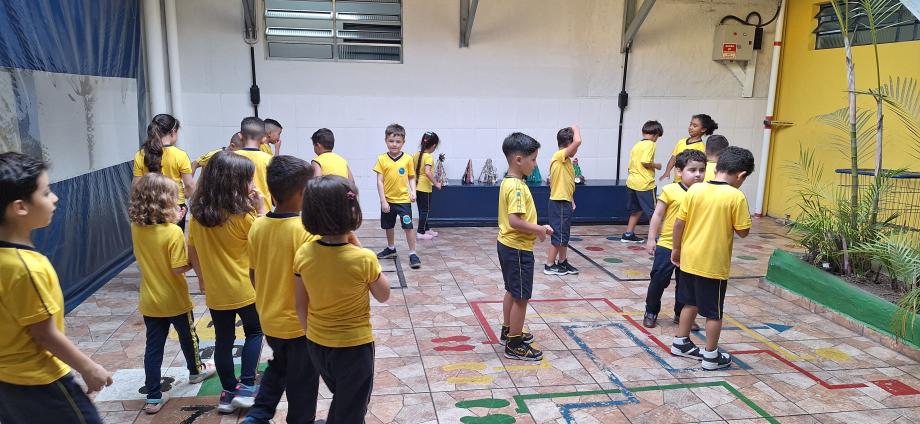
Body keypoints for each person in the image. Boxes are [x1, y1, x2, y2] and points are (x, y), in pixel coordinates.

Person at [0, 152, 112, 424]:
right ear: (20, 207)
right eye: (46, 192)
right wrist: (89, 368)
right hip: (42, 383)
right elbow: (45, 334)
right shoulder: (28, 268)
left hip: (7, 384)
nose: (55, 198)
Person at [294, 175, 390, 423]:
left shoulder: (303, 253)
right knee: (352, 409)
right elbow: (383, 295)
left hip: (317, 344)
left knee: (345, 399)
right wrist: (361, 250)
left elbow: (300, 304)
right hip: (354, 349)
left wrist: (311, 334)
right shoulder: (363, 258)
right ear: (352, 212)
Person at [129, 173, 215, 414]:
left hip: (150, 301)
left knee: (153, 348)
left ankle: (153, 397)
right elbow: (178, 267)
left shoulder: (136, 228)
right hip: (175, 300)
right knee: (189, 338)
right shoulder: (173, 232)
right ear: (165, 201)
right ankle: (196, 371)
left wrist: (174, 221)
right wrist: (193, 260)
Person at [187, 151, 267, 413]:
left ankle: (228, 391)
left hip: (216, 290)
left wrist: (202, 279)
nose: (252, 184)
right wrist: (261, 209)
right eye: (248, 179)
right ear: (234, 182)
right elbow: (265, 240)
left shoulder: (198, 217)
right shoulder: (244, 217)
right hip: (246, 287)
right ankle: (247, 386)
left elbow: (193, 251)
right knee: (254, 332)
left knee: (223, 340)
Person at [243, 156, 320, 424]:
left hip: (270, 319)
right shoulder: (306, 231)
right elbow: (314, 281)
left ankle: (258, 414)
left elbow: (253, 273)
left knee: (279, 365)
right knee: (303, 382)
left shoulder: (258, 225)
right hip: (300, 325)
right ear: (302, 193)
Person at [670, 146, 754, 371]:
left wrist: (676, 249)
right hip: (712, 265)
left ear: (715, 168)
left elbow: (678, 223)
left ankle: (680, 342)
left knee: (690, 302)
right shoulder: (736, 196)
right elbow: (743, 231)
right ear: (742, 175)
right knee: (714, 313)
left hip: (689, 258)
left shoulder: (695, 190)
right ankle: (710, 355)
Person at [497, 133, 553, 361]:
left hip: (507, 245)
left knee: (512, 290)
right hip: (518, 249)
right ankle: (514, 343)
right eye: (533, 159)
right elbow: (515, 221)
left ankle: (508, 329)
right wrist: (539, 229)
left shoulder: (508, 181)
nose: (535, 164)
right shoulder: (517, 188)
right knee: (521, 297)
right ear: (518, 160)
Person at [642, 150, 706, 330]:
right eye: (692, 170)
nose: (698, 174)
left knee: (686, 284)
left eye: (702, 170)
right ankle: (651, 311)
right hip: (667, 245)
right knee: (658, 280)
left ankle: (681, 314)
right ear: (679, 171)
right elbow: (657, 215)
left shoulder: (705, 193)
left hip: (691, 247)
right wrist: (651, 238)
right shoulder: (670, 190)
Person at [132, 113, 195, 230]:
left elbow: (136, 186)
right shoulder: (180, 155)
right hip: (175, 207)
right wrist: (185, 196)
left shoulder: (140, 155)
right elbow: (190, 185)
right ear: (173, 132)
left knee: (152, 239)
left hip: (149, 206)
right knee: (174, 238)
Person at [373, 123, 421, 269]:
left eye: (398, 141)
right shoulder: (381, 159)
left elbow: (411, 177)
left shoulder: (408, 159)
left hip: (403, 201)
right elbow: (379, 181)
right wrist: (383, 201)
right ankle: (391, 248)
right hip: (388, 201)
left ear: (403, 142)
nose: (394, 144)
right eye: (391, 141)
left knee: (408, 226)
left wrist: (413, 191)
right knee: (389, 226)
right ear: (386, 140)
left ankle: (412, 253)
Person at [543, 126, 582, 275]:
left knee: (564, 235)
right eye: (574, 147)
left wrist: (571, 199)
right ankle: (549, 265)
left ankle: (562, 261)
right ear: (567, 144)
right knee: (558, 234)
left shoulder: (567, 162)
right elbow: (578, 141)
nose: (576, 150)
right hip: (558, 203)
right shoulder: (559, 156)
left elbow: (563, 182)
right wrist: (575, 127)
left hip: (564, 201)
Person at [621, 121, 663, 243]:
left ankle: (628, 234)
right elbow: (645, 162)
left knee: (636, 210)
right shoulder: (651, 144)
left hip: (632, 182)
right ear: (656, 134)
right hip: (645, 184)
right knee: (653, 212)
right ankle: (655, 237)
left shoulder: (637, 145)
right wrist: (657, 165)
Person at [659, 114, 718, 182]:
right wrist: (667, 171)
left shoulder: (701, 148)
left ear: (703, 129)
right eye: (690, 124)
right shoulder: (681, 142)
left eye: (694, 126)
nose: (690, 127)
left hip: (689, 183)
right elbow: (673, 158)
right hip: (676, 181)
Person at [235, 117, 274, 212]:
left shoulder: (230, 158)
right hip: (264, 213)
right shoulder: (270, 160)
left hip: (237, 213)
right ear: (264, 139)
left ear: (240, 136)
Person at [413, 131, 442, 240]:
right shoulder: (429, 157)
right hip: (425, 188)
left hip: (416, 187)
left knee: (422, 210)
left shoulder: (416, 155)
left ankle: (426, 228)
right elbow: (427, 172)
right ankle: (420, 232)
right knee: (425, 210)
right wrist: (436, 183)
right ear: (433, 146)